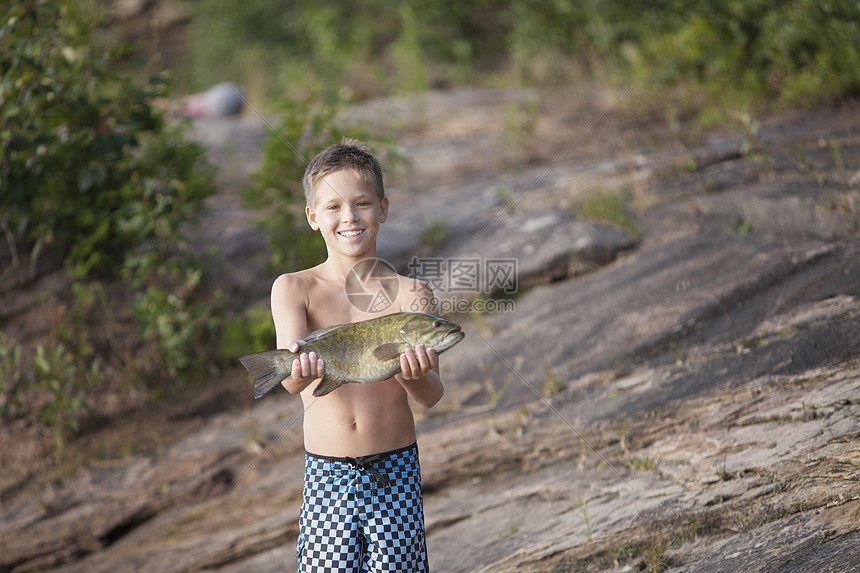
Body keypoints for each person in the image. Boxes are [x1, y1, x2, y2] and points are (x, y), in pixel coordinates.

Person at [270, 139, 443, 572]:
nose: (349, 217)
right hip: (327, 474)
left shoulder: (412, 293)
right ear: (313, 217)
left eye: (362, 203)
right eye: (332, 207)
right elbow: (291, 381)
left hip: (396, 468)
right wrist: (301, 370)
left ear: (382, 209)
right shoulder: (294, 289)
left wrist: (410, 373)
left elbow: (431, 394)